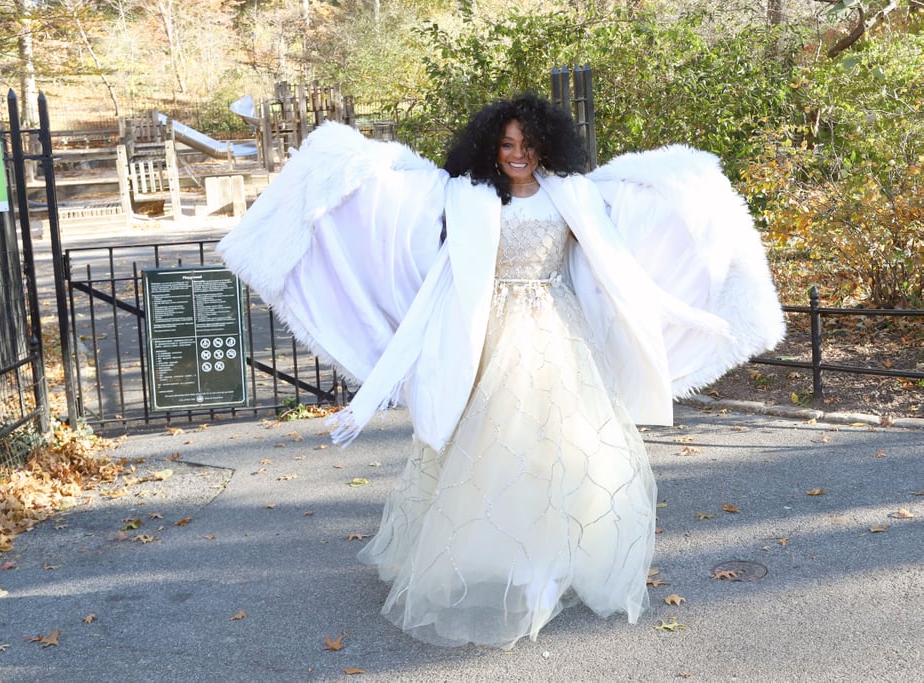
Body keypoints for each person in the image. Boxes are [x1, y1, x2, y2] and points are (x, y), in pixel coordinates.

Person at [216, 93, 785, 649]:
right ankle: (499, 559)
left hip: (560, 337)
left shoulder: (574, 195)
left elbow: (622, 266)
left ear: (546, 147)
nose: (518, 154)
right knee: (486, 450)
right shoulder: (467, 197)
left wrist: (697, 316)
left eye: (529, 144)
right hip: (486, 338)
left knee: (557, 450)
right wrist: (370, 396)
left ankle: (547, 565)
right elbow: (430, 273)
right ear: (490, 146)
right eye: (507, 144)